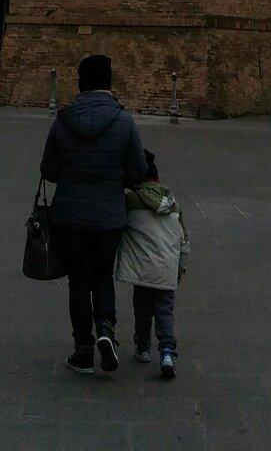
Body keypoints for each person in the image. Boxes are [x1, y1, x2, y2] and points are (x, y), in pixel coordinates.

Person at [40, 53, 148, 375]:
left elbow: (49, 170)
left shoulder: (63, 120)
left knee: (78, 281)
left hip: (69, 215)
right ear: (109, 82)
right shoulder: (124, 122)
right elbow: (138, 171)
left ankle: (83, 350)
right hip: (108, 216)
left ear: (80, 83)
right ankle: (105, 328)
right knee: (103, 275)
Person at [115, 147, 189, 381]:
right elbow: (184, 241)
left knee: (142, 310)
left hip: (142, 269)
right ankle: (167, 352)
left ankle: (143, 347)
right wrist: (181, 268)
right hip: (167, 270)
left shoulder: (131, 201)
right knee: (165, 311)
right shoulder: (174, 205)